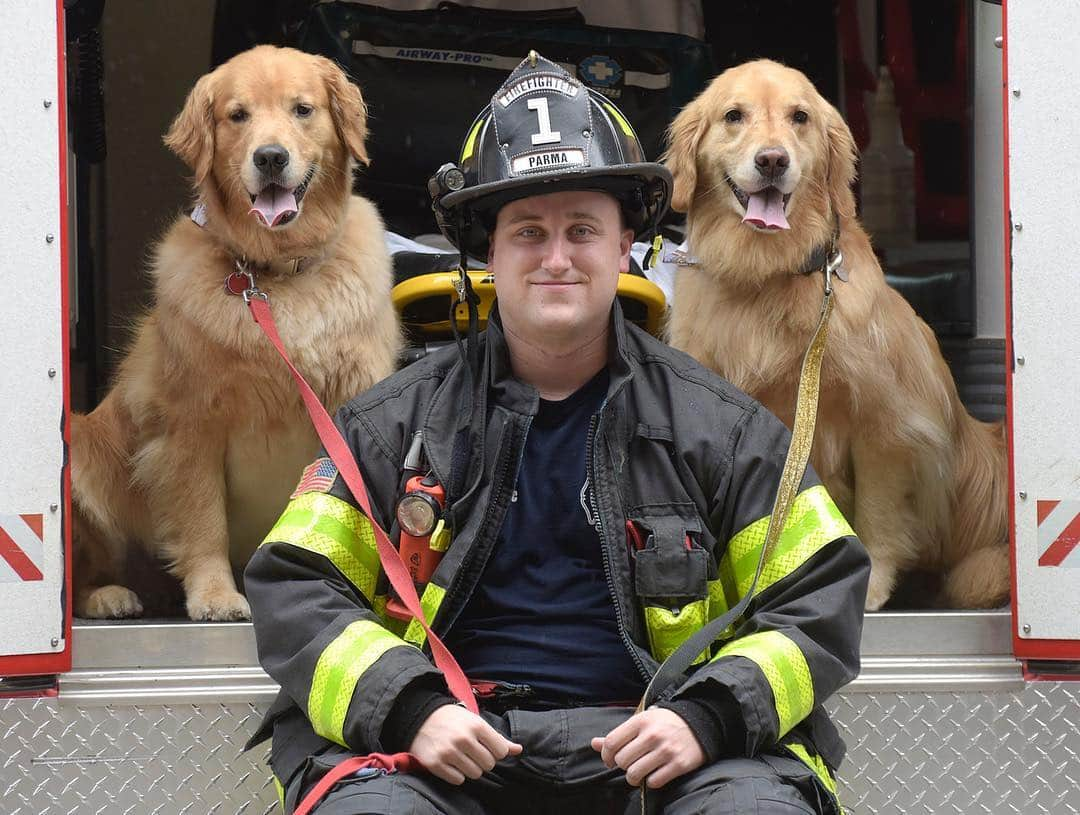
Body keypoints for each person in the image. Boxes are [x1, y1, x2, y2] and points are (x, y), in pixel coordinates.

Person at [245, 52, 870, 815]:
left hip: (663, 748)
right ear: (488, 255)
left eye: (582, 229)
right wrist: (412, 708)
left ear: (625, 248)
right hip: (445, 750)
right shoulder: (391, 422)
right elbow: (296, 586)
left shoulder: (722, 427)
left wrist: (707, 717)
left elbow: (819, 590)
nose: (556, 258)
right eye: (528, 232)